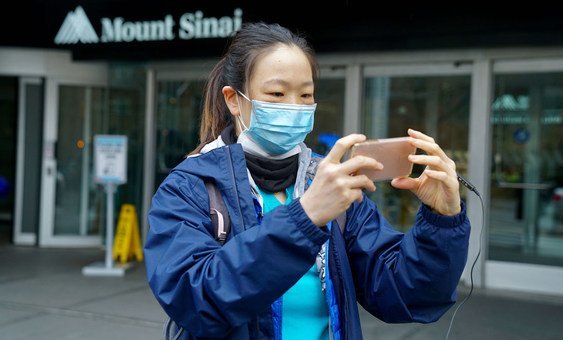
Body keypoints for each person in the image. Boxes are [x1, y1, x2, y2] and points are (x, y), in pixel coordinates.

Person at [144, 21, 470, 340]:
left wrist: (442, 222)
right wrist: (305, 218)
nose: (294, 107)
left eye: (305, 95)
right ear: (234, 99)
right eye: (276, 93)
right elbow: (195, 301)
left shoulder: (331, 186)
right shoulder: (190, 187)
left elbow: (406, 293)